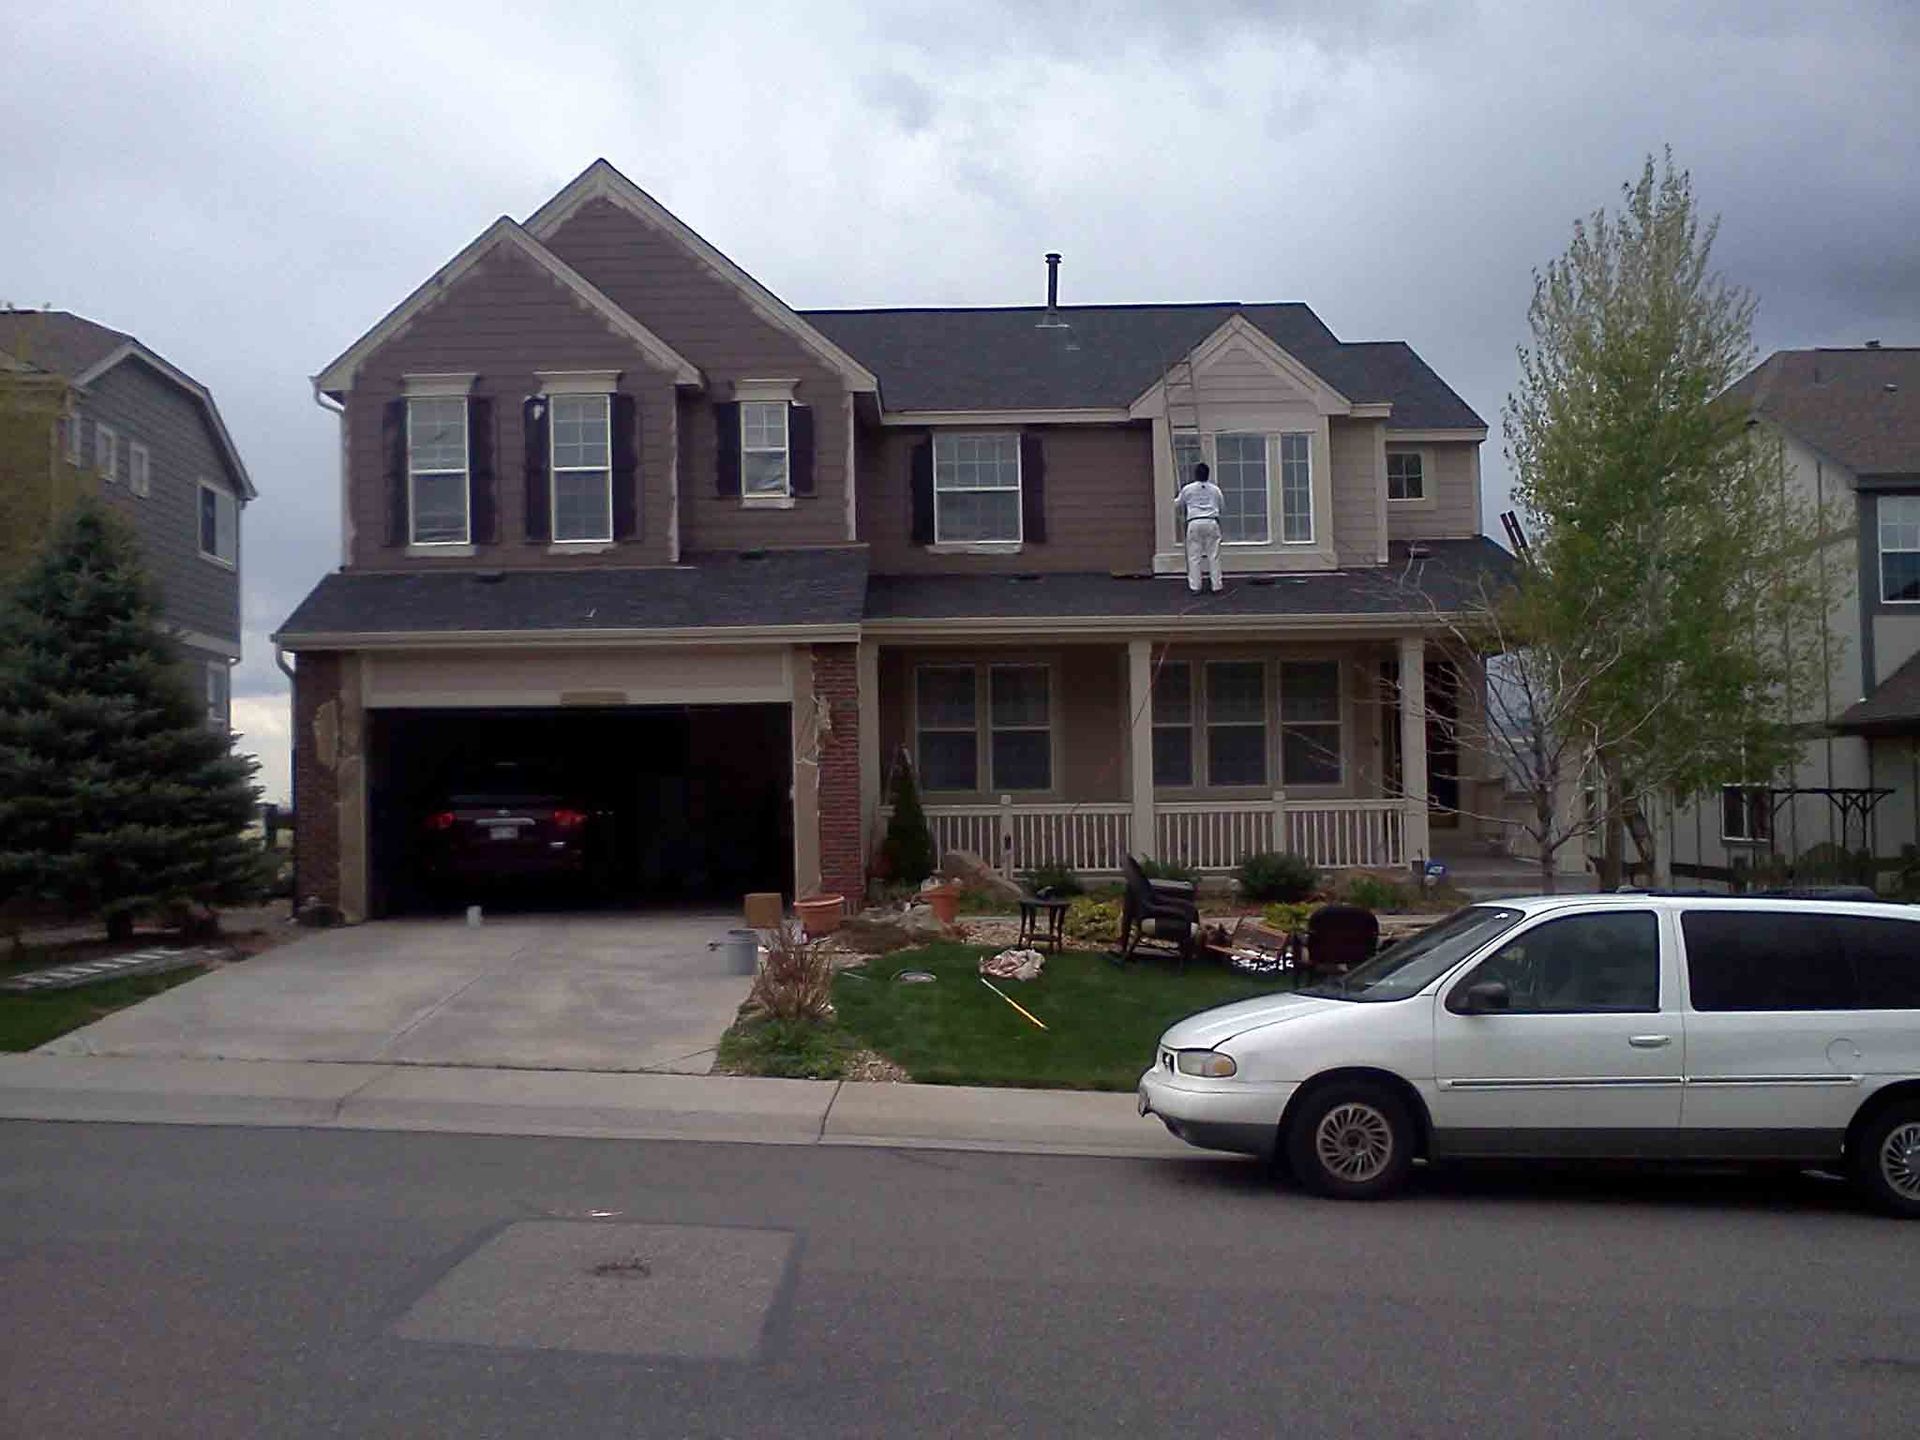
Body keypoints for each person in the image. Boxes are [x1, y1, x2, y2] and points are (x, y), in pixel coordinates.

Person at [1175, 460, 1225, 594]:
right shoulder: (1215, 489)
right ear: (1208, 475)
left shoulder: (1188, 489)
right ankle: (1216, 585)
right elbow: (1221, 505)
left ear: (1195, 474)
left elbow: (1178, 504)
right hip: (1211, 521)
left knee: (1194, 556)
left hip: (1195, 522)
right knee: (1214, 555)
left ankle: (1195, 586)